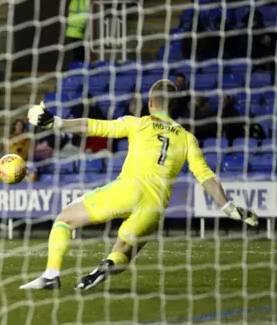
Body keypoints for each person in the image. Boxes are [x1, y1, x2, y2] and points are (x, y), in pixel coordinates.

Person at [20, 79, 258, 291]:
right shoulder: (187, 138)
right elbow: (206, 176)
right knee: (125, 251)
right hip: (154, 208)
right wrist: (228, 207)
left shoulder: (139, 123)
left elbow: (95, 126)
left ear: (151, 103)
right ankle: (106, 266)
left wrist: (57, 123)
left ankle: (51, 275)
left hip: (127, 190)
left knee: (64, 219)